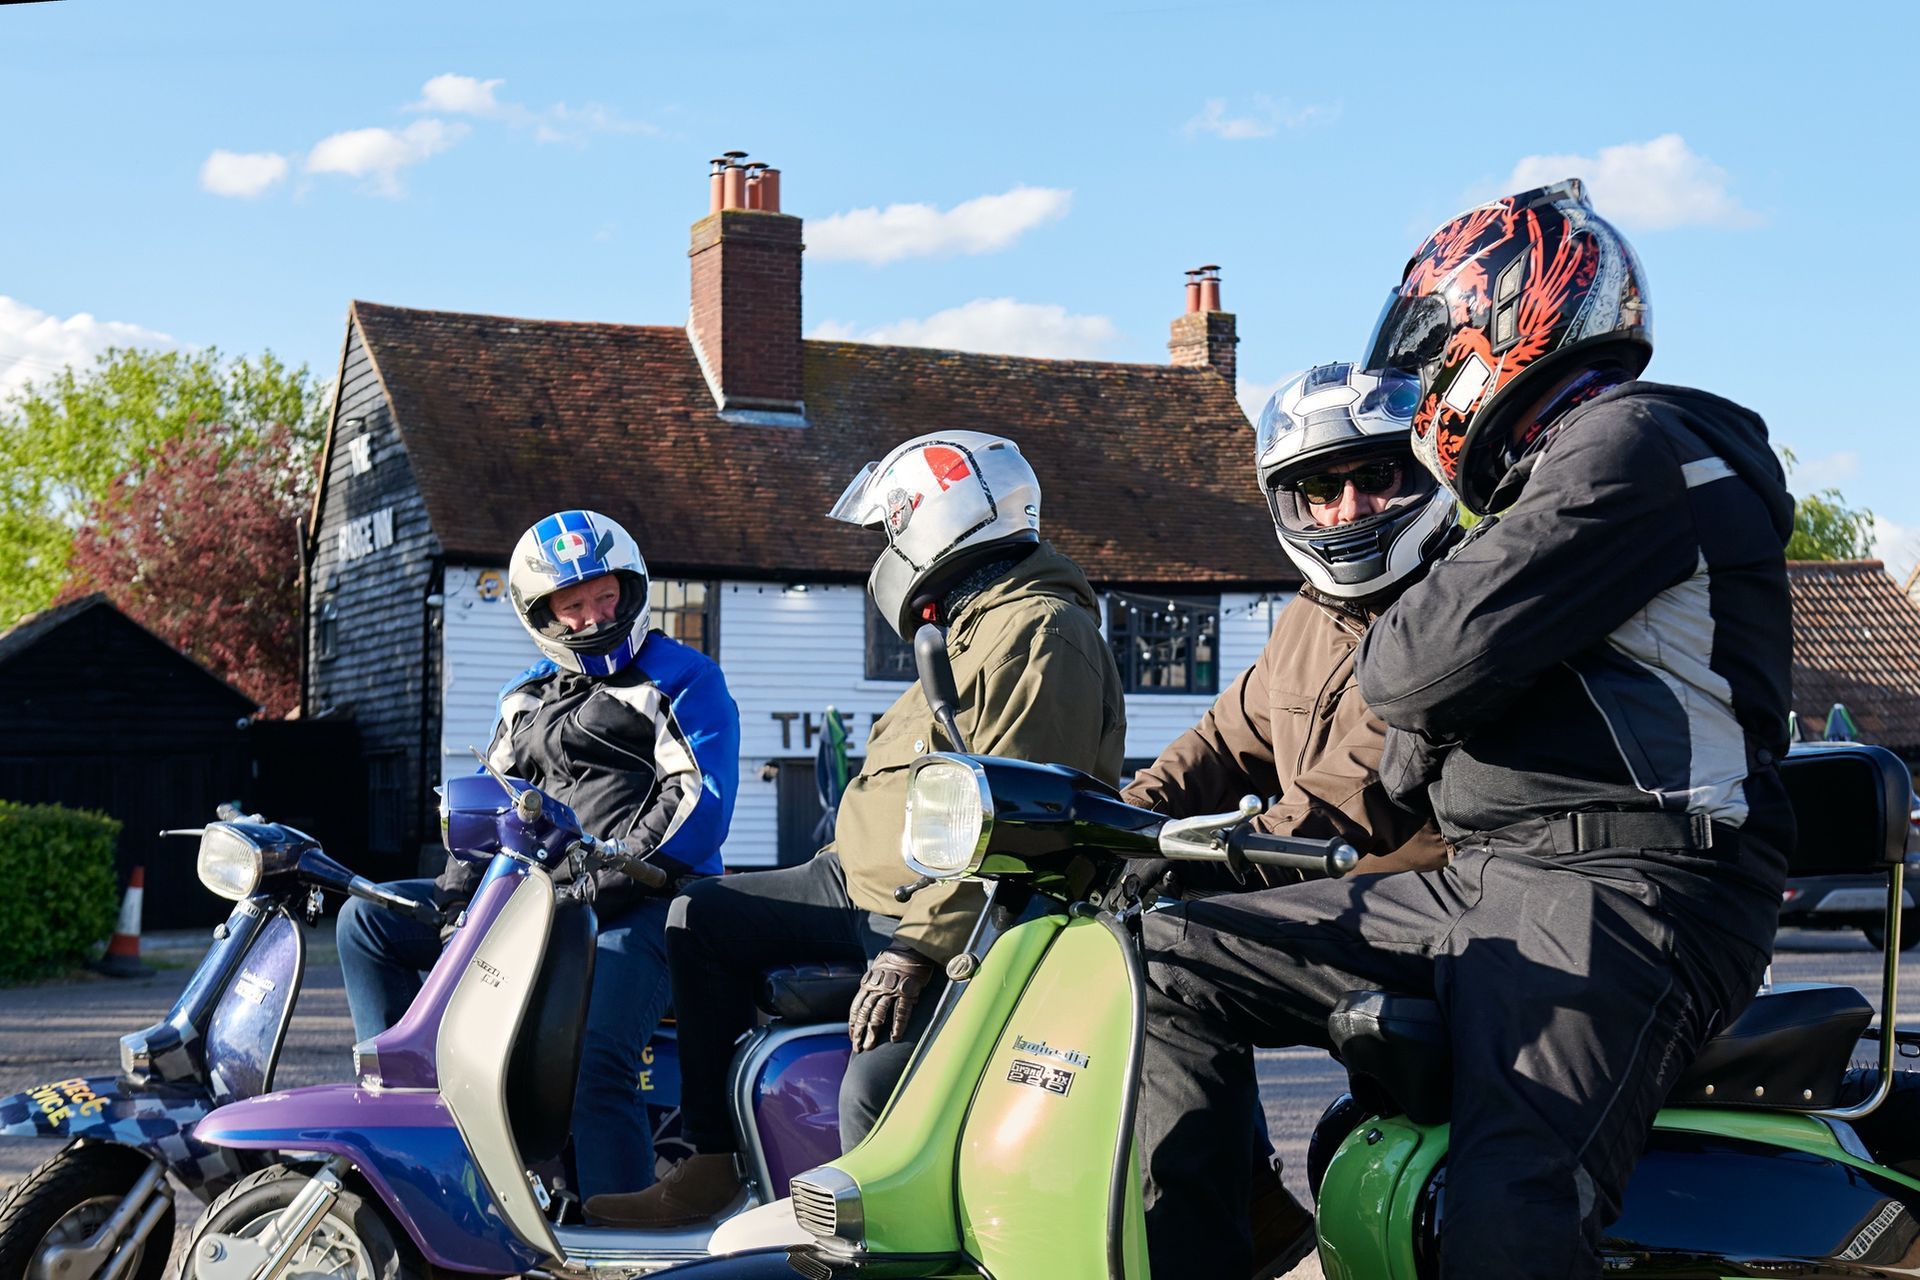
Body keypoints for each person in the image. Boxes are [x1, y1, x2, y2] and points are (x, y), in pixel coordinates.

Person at [1136, 179, 1794, 1279]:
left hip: (1632, 887)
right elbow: (1408, 700)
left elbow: (1415, 666)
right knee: (1162, 959)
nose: (1433, 375)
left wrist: (1425, 677)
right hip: (1488, 880)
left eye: (1437, 346)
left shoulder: (1632, 442)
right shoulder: (1552, 478)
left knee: (1510, 1215)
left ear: (1508, 317)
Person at [587, 430, 1127, 1228]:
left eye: (890, 530)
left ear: (938, 520)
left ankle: (893, 1245)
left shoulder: (1039, 631)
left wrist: (915, 950)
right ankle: (712, 1163)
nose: (885, 550)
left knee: (875, 1092)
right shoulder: (967, 625)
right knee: (699, 916)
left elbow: (1016, 827)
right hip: (860, 884)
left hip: (958, 917)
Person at [1119, 361, 1456, 1271]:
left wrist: (1204, 858)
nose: (1347, 507)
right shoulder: (1309, 616)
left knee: (1166, 962)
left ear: (1424, 470)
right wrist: (1115, 820)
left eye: (1374, 475)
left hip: (1430, 904)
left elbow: (1354, 793)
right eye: (1318, 486)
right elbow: (1225, 741)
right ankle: (1255, 1197)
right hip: (1342, 903)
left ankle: (1208, 1248)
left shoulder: (1453, 605)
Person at [335, 509, 739, 1203]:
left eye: (605, 596)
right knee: (365, 921)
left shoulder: (684, 677)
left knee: (593, 1062)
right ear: (542, 613)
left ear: (631, 588)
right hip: (533, 900)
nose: (592, 616)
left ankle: (621, 1237)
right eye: (573, 604)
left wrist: (602, 875)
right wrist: (458, 905)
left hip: (647, 902)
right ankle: (413, 1104)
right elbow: (489, 807)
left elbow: (698, 803)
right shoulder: (522, 697)